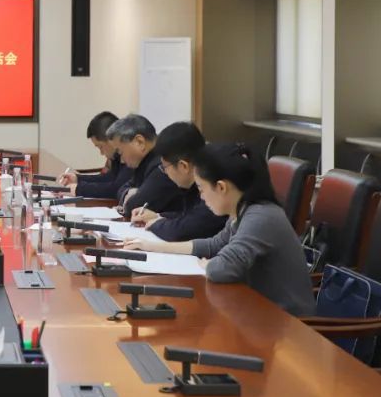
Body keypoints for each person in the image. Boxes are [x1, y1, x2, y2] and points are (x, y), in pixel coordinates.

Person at [123, 143, 316, 316]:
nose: (201, 197)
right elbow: (214, 244)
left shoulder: (261, 216)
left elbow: (221, 268)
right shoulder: (242, 210)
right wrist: (152, 246)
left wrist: (210, 264)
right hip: (258, 312)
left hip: (286, 325)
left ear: (221, 187)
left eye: (201, 188)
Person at [131, 122, 227, 242]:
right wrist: (158, 216)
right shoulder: (195, 183)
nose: (165, 173)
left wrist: (155, 224)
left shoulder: (213, 185)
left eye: (164, 167)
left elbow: (186, 230)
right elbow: (188, 215)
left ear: (183, 166)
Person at [107, 114, 186, 217]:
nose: (121, 160)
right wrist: (128, 192)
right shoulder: (144, 162)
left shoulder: (164, 163)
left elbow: (135, 207)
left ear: (139, 142)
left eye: (120, 152)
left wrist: (134, 197)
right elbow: (122, 189)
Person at [59, 111, 132, 199]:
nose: (101, 153)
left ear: (111, 139)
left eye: (100, 147)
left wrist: (79, 189)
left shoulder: (131, 155)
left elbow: (116, 189)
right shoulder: (118, 156)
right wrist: (78, 178)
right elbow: (109, 178)